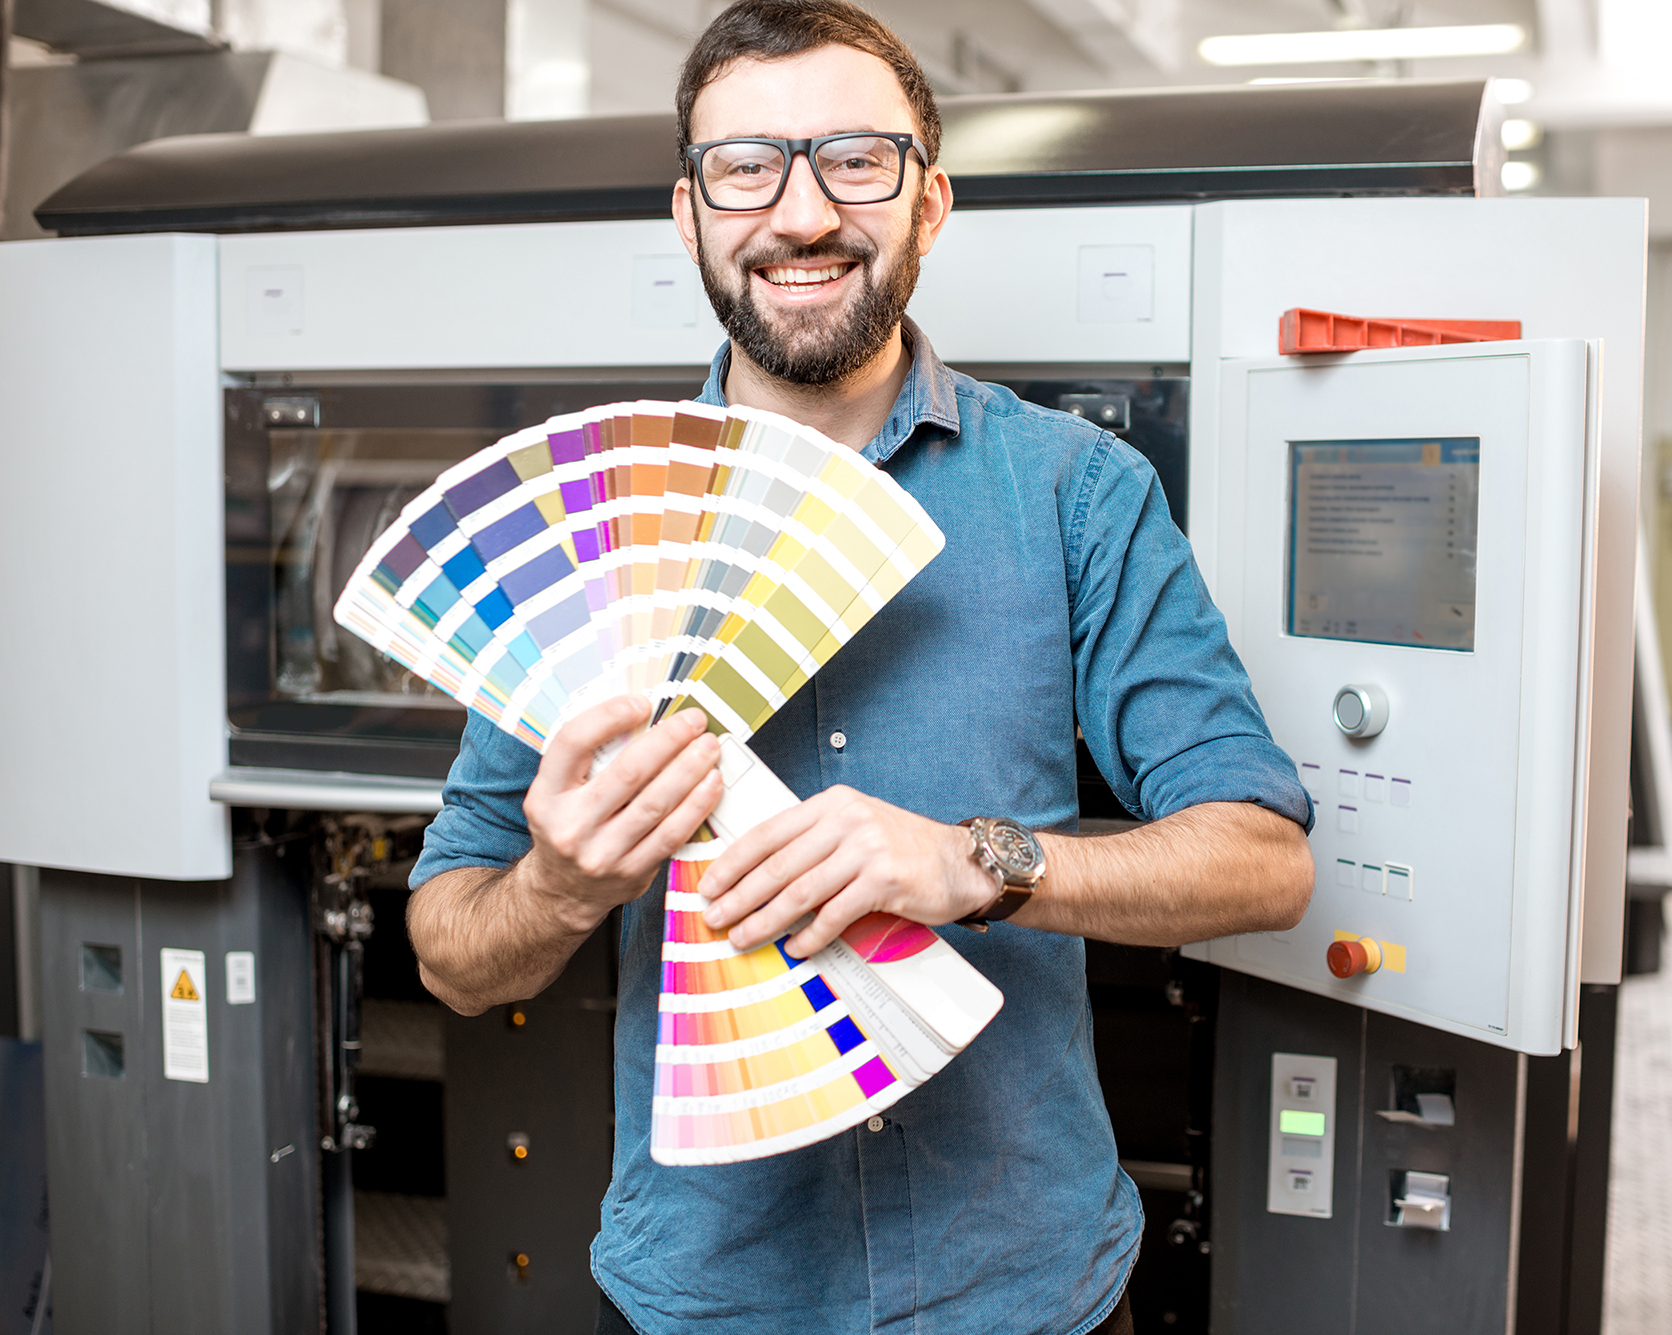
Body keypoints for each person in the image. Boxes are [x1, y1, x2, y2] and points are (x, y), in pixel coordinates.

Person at [407, 3, 1315, 1331]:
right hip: (709, 1301)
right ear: (690, 213)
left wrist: (978, 863)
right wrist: (559, 883)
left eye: (855, 160)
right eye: (747, 167)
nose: (802, 212)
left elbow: (1266, 863)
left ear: (930, 201)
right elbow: (455, 958)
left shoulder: (1077, 494)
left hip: (1027, 1297)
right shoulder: (596, 528)